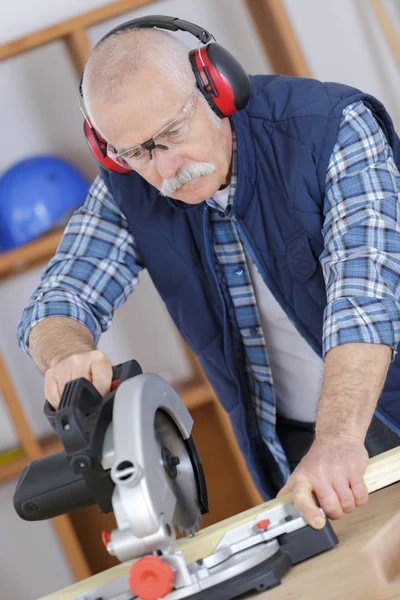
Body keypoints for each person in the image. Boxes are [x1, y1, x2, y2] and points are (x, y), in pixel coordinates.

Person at [17, 17, 400, 532]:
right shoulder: (128, 184)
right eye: (136, 152)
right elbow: (57, 299)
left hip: (357, 423)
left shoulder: (332, 128)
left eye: (173, 133)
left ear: (215, 87)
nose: (165, 168)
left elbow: (365, 301)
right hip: (297, 448)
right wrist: (64, 354)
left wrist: (337, 440)